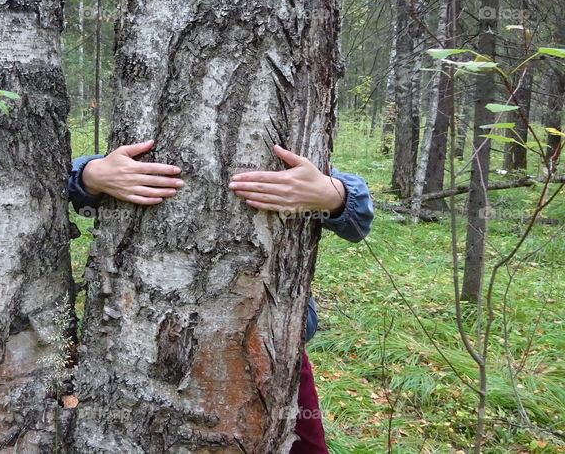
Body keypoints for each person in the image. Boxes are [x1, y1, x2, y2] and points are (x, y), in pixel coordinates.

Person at [67, 140, 374, 454]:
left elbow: (359, 222)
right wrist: (90, 175)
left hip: (275, 353)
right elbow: (65, 181)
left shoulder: (287, 158)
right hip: (143, 357)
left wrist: (332, 195)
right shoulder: (141, 155)